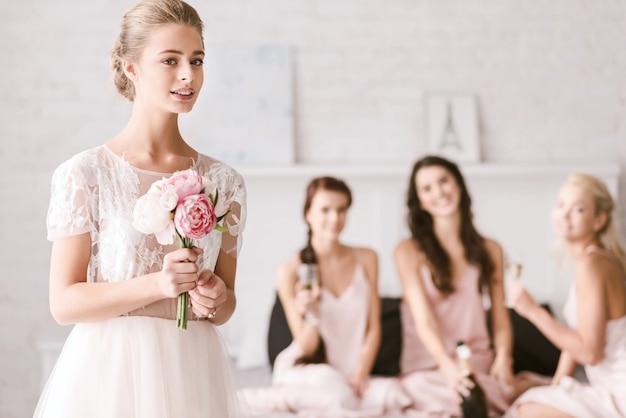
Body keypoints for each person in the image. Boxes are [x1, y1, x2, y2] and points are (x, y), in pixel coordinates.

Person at [34, 1, 247, 417]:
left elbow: (226, 306)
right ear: (131, 68)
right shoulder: (86, 174)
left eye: (197, 60)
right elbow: (64, 302)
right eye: (170, 60)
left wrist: (216, 298)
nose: (188, 75)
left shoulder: (225, 182)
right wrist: (158, 285)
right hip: (110, 376)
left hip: (194, 372)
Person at [241, 176, 411, 417]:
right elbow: (307, 346)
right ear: (308, 214)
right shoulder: (289, 271)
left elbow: (373, 327)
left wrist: (362, 371)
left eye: (342, 210)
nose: (335, 218)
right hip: (309, 372)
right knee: (334, 390)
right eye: (325, 210)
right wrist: (310, 313)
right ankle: (270, 397)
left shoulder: (367, 258)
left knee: (394, 393)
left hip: (351, 371)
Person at [395, 155, 515, 417]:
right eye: (427, 188)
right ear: (420, 202)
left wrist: (504, 357)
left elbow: (500, 316)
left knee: (486, 388)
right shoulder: (408, 252)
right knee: (412, 392)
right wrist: (449, 371)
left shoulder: (490, 249)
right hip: (428, 367)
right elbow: (423, 320)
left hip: (477, 361)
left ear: (458, 185)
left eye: (443, 181)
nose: (439, 192)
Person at [504, 173, 626, 418]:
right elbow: (577, 338)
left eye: (578, 209)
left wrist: (532, 311)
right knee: (527, 399)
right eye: (560, 205)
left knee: (526, 410)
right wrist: (556, 386)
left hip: (618, 392)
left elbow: (590, 353)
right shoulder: (594, 261)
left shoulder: (592, 264)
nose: (565, 215)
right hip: (610, 388)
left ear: (598, 220)